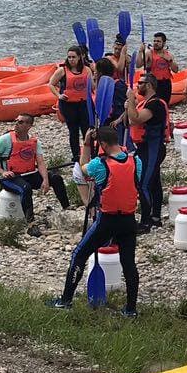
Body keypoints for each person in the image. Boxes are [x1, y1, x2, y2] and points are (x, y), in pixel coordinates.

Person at [50, 126, 141, 316]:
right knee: (129, 263)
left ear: (104, 145)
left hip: (107, 221)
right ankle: (131, 309)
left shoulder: (100, 165)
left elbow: (82, 171)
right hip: (129, 220)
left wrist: (86, 143)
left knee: (79, 255)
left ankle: (65, 300)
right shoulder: (136, 161)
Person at [0, 114, 72, 228]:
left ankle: (67, 208)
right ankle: (30, 222)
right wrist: (2, 172)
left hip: (29, 174)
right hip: (10, 178)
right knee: (26, 188)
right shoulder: (5, 140)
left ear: (29, 126)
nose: (16, 123)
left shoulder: (34, 142)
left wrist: (45, 180)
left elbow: (40, 163)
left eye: (21, 122)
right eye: (16, 121)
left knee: (56, 178)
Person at [125, 74, 170, 231]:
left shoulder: (155, 105)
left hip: (153, 148)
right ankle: (155, 217)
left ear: (149, 85)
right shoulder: (146, 103)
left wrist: (131, 99)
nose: (137, 86)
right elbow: (130, 120)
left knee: (143, 184)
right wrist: (129, 105)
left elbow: (136, 119)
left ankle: (145, 222)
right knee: (154, 182)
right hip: (145, 148)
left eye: (141, 83)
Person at [49, 47, 94, 163]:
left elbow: (93, 87)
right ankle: (76, 156)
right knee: (73, 131)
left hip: (83, 104)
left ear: (80, 57)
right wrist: (58, 96)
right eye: (69, 57)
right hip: (68, 105)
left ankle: (91, 154)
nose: (71, 59)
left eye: (74, 57)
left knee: (87, 130)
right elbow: (51, 84)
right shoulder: (62, 70)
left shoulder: (87, 70)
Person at [142, 32, 179, 105]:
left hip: (165, 84)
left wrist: (170, 60)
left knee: (165, 105)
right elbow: (139, 64)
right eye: (154, 41)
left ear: (164, 43)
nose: (155, 43)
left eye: (158, 41)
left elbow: (176, 70)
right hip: (153, 83)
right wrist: (141, 51)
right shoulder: (149, 53)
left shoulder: (168, 54)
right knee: (153, 105)